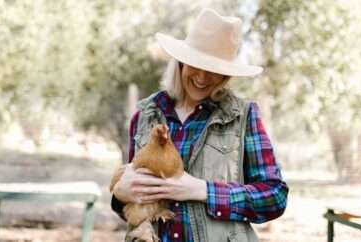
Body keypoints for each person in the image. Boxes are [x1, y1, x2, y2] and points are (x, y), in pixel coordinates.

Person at [111, 8, 288, 242]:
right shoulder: (145, 115)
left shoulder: (244, 117)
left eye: (213, 70)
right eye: (196, 65)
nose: (202, 78)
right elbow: (136, 199)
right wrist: (119, 196)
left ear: (225, 75)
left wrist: (203, 190)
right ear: (181, 63)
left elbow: (275, 197)